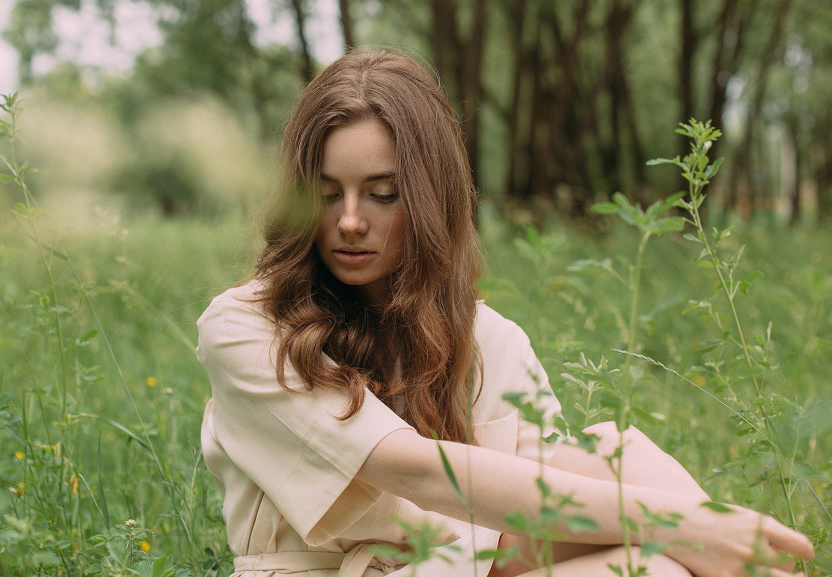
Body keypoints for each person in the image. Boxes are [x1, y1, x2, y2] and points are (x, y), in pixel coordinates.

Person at [195, 48, 813, 577]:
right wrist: (681, 521)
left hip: (460, 563)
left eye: (383, 195)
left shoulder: (489, 340)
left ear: (432, 198)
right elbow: (414, 471)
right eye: (328, 194)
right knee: (641, 512)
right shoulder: (248, 328)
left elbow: (538, 518)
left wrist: (675, 533)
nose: (351, 220)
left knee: (642, 539)